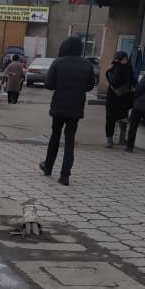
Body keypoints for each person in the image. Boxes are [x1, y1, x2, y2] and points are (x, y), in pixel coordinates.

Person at [39, 35, 96, 186]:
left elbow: (49, 84)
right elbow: (90, 86)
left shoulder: (58, 62)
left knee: (55, 136)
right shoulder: (87, 65)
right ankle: (65, 175)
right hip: (76, 107)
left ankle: (48, 166)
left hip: (59, 106)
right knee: (70, 139)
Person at [104, 50, 135, 147]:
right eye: (123, 59)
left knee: (122, 118)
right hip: (113, 97)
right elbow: (113, 81)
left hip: (124, 97)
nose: (125, 61)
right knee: (110, 119)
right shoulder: (114, 67)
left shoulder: (128, 68)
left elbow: (133, 80)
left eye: (126, 59)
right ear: (118, 59)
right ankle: (109, 140)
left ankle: (121, 139)